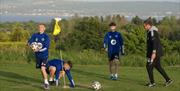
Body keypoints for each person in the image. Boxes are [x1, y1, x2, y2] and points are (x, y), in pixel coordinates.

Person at [143, 19, 173, 87]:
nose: (144, 27)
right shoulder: (150, 31)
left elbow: (155, 43)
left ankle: (152, 83)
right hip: (155, 53)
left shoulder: (152, 32)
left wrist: (154, 53)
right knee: (158, 67)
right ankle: (168, 80)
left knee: (149, 66)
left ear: (148, 25)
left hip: (155, 53)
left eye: (144, 26)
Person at [28, 23, 50, 89]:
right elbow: (29, 42)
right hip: (37, 56)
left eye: (41, 27)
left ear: (44, 28)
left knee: (42, 68)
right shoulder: (35, 35)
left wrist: (38, 50)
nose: (40, 28)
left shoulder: (46, 36)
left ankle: (46, 83)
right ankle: (45, 81)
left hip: (44, 56)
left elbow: (46, 47)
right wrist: (32, 47)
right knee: (42, 70)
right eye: (39, 27)